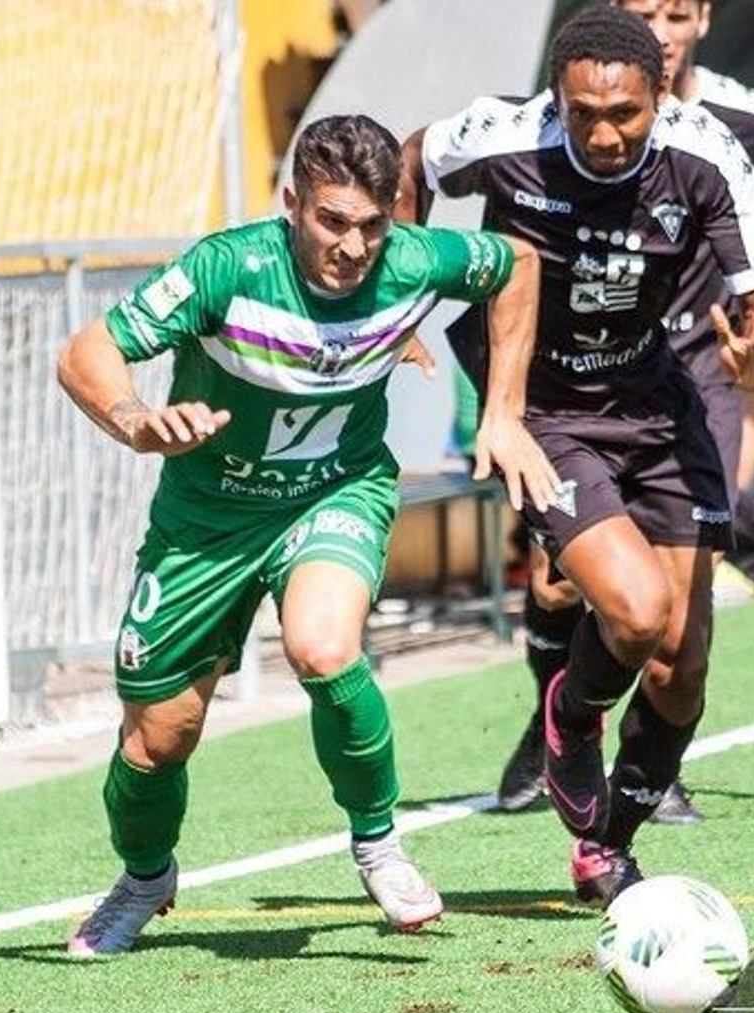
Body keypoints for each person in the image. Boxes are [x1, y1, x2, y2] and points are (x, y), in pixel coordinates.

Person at [55, 114, 556, 955]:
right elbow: (86, 351)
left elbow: (517, 265)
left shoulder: (413, 261)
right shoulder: (226, 268)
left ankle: (379, 843)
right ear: (292, 204)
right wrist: (136, 419)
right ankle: (144, 877)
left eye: (372, 226)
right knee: (155, 740)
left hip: (336, 491)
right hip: (207, 520)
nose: (353, 247)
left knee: (323, 648)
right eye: (332, 221)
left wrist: (503, 412)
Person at [399, 3, 754, 906]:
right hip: (542, 411)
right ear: (557, 99)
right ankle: (570, 719)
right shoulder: (504, 135)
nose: (605, 135)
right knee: (638, 611)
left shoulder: (708, 152)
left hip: (657, 403)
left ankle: (606, 850)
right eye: (584, 115)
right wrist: (403, 293)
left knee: (681, 666)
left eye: (625, 115)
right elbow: (415, 157)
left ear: (660, 95)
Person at [487, 0, 754, 824]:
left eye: (675, 12)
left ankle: (646, 779)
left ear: (702, 18)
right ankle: (553, 723)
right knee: (561, 585)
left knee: (675, 618)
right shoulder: (563, 119)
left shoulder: (739, 122)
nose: (660, 30)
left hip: (698, 371)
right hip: (571, 381)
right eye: (643, 13)